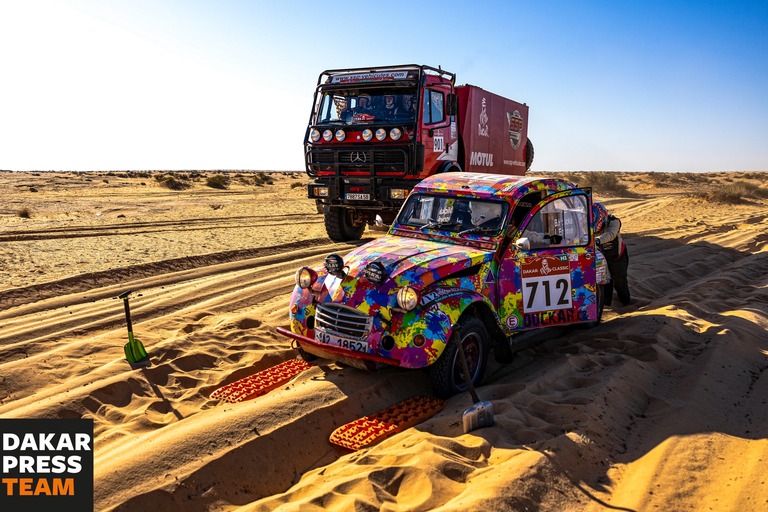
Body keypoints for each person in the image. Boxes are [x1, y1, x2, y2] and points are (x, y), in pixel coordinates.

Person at [593, 202, 630, 306]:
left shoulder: (615, 222)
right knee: (604, 281)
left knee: (620, 281)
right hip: (601, 256)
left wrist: (596, 240)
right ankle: (605, 306)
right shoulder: (587, 225)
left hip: (618, 257)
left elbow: (611, 234)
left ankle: (626, 303)